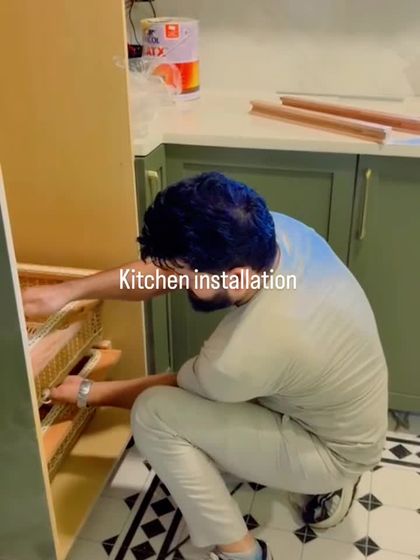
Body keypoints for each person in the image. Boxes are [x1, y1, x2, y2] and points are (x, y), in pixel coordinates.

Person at [23, 172, 388, 560]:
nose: (176, 283)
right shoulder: (272, 233)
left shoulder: (241, 354)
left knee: (154, 414)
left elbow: (176, 390)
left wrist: (87, 392)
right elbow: (165, 270)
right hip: (339, 406)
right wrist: (68, 292)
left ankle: (242, 552)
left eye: (184, 278)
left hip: (331, 451)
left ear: (236, 276)